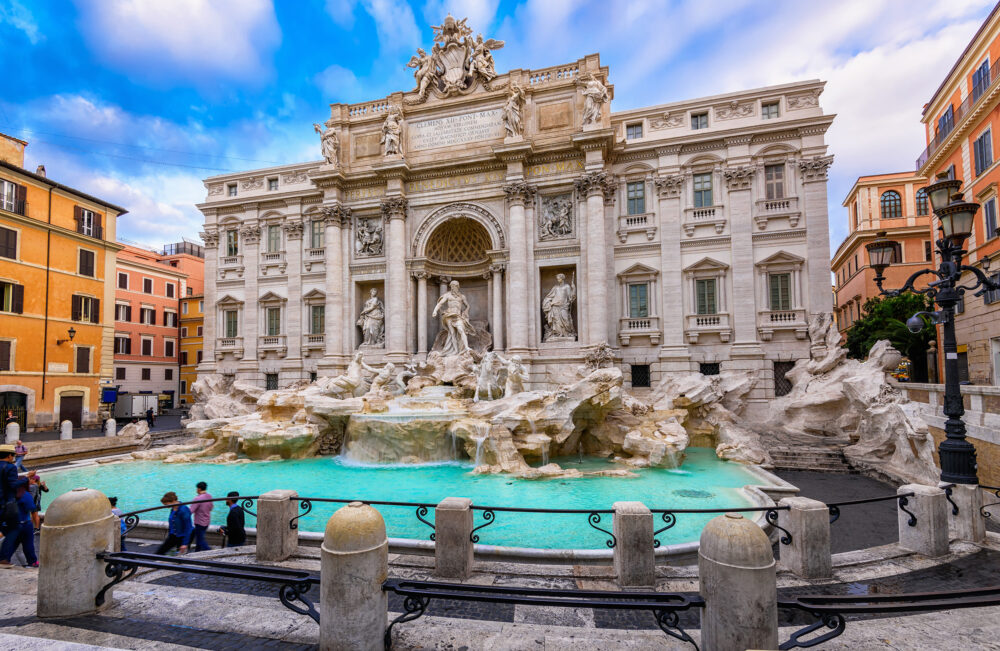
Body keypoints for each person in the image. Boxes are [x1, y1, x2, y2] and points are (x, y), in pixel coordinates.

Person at [0, 478, 37, 567]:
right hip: (25, 523)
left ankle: (5, 559)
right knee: (28, 544)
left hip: (10, 524)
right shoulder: (25, 494)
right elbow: (31, 507)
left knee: (12, 543)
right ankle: (32, 562)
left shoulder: (8, 494)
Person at [0, 445, 20, 544]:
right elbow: (13, 485)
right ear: (9, 456)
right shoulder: (10, 467)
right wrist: (26, 479)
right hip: (6, 503)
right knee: (15, 529)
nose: (13, 458)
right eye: (13, 456)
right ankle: (4, 557)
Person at [189, 481, 213, 552]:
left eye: (197, 488)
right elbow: (211, 508)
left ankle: (209, 552)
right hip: (207, 521)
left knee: (200, 540)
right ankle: (197, 552)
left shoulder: (197, 498)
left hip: (199, 522)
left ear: (199, 489)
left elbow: (191, 511)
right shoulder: (209, 496)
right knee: (199, 539)